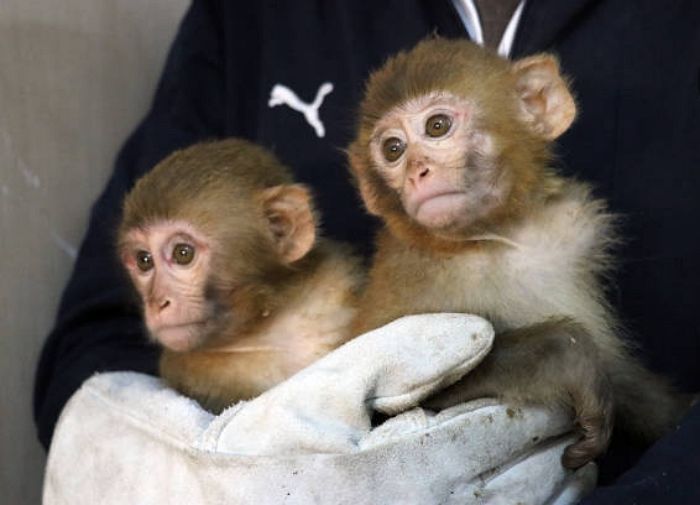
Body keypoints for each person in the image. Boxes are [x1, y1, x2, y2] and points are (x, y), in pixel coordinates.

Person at [34, 1, 700, 502]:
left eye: (438, 127)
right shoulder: (249, 18)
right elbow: (102, 340)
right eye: (393, 150)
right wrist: (180, 473)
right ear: (368, 185)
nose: (416, 168)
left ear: (538, 104)